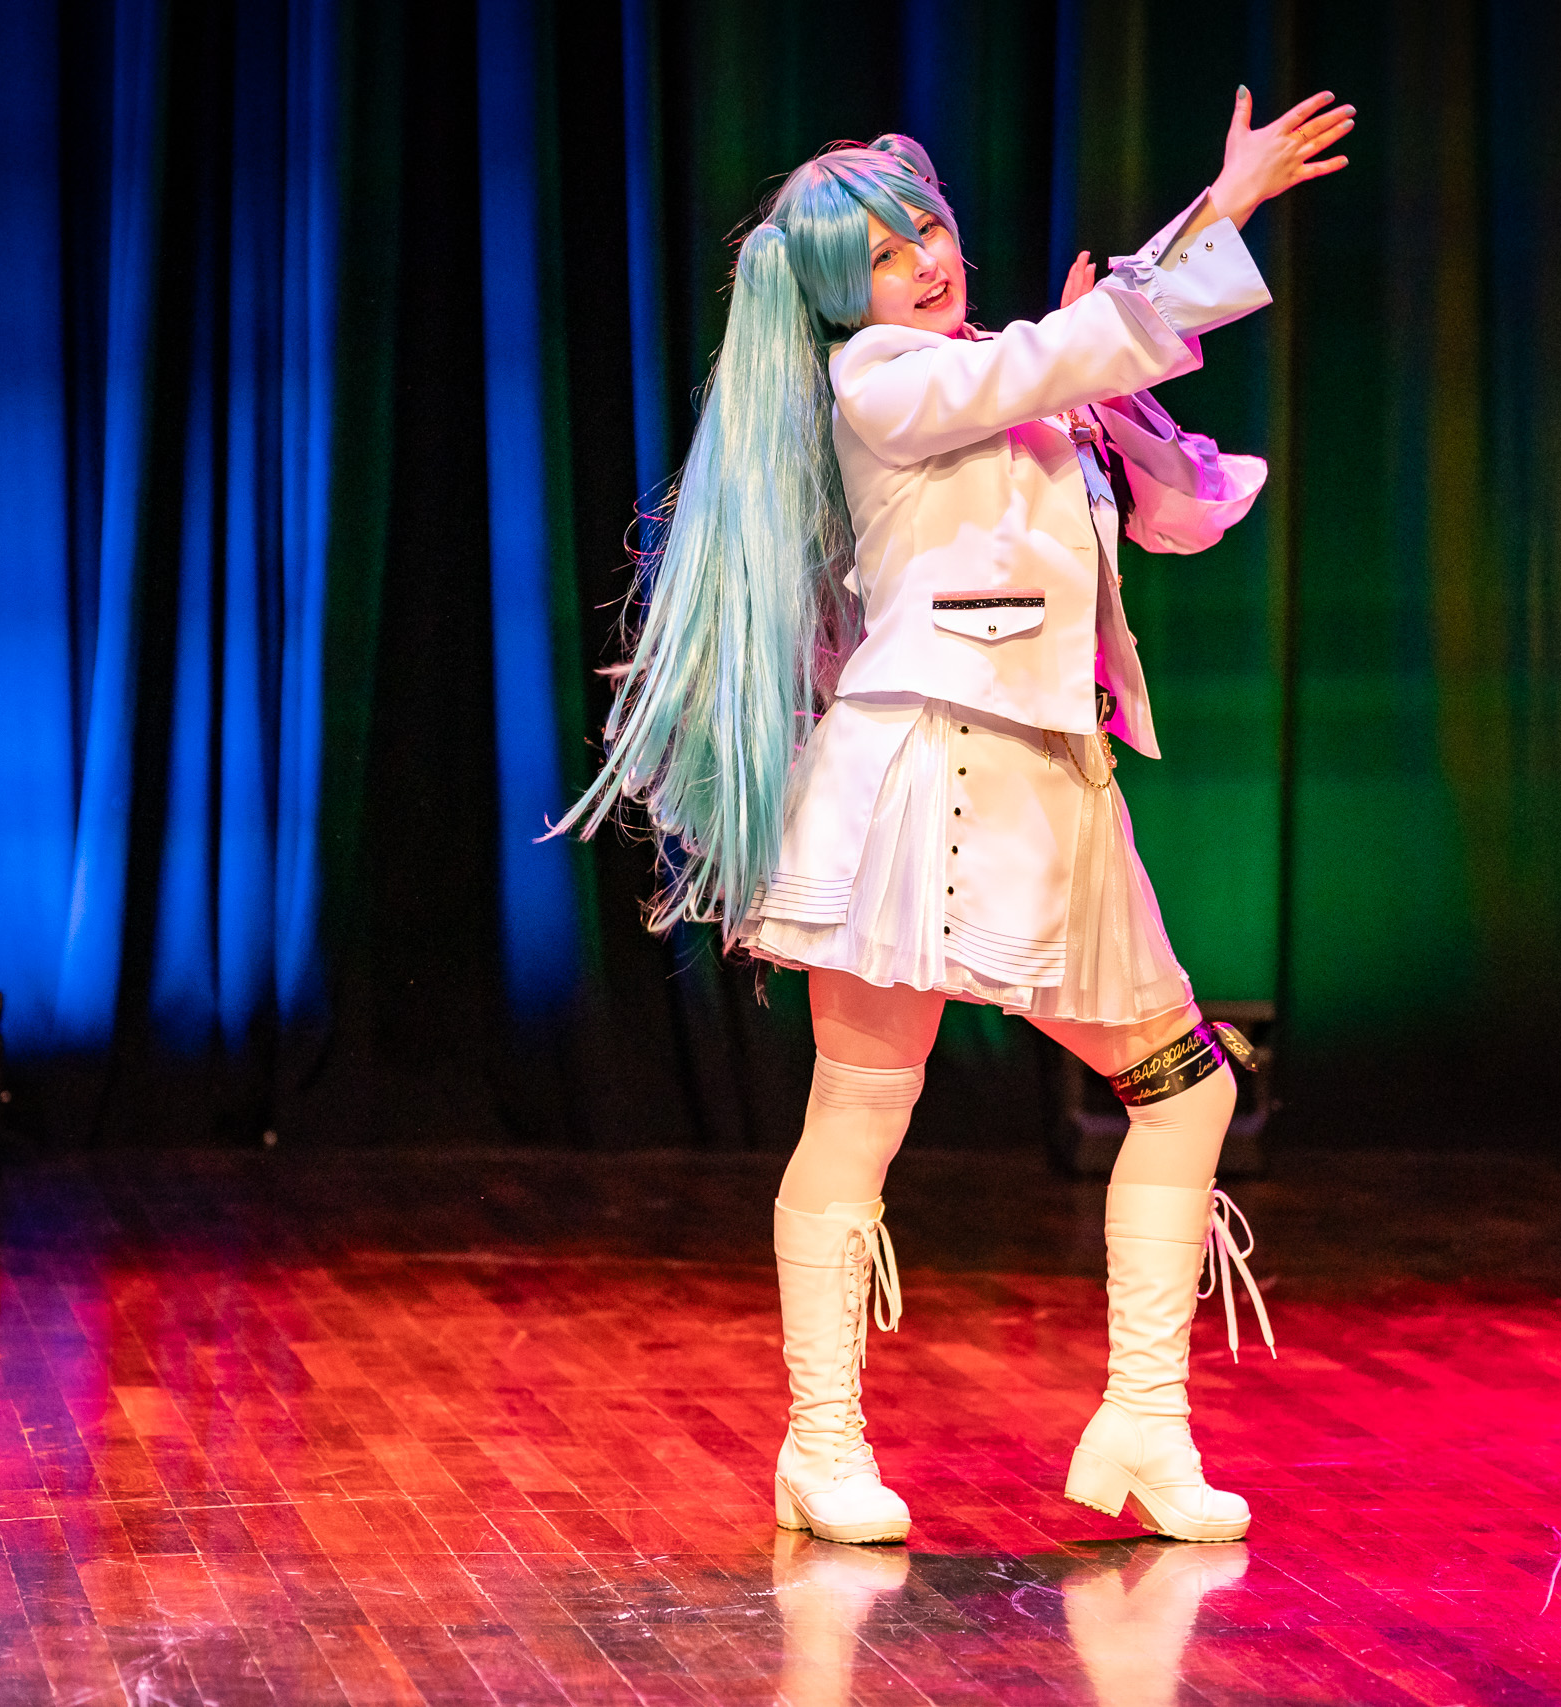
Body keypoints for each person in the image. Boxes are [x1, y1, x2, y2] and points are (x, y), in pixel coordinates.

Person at [556, 88, 1354, 1544]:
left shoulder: (1015, 379)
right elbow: (1048, 354)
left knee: (1190, 1087)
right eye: (881, 255)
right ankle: (820, 1445)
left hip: (1058, 788)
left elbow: (1189, 507)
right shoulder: (880, 381)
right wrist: (1212, 217)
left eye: (924, 228)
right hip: (919, 778)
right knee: (862, 1109)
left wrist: (1109, 390)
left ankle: (1146, 1424)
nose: (924, 261)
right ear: (837, 298)